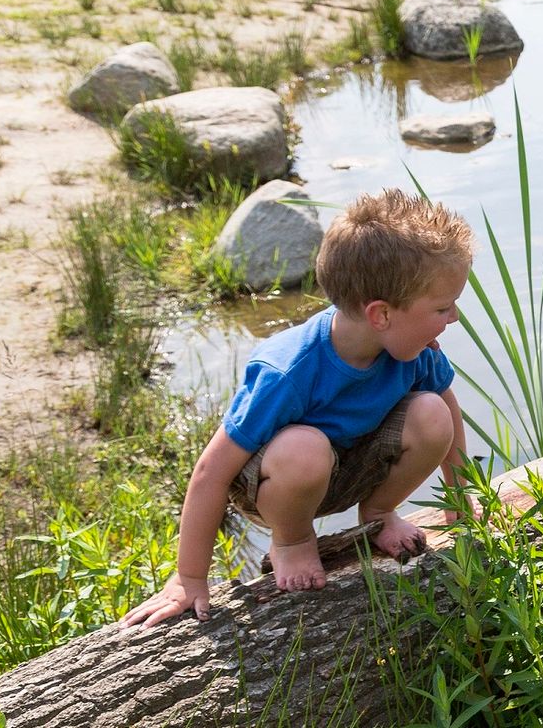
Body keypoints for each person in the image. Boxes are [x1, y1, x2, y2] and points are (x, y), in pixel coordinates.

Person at [124, 189, 474, 626]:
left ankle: (380, 514)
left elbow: (448, 411)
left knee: (433, 413)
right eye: (443, 307)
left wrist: (459, 498)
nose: (454, 318)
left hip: (348, 465)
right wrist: (188, 579)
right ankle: (291, 541)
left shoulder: (413, 349)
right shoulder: (288, 370)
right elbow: (211, 472)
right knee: (304, 448)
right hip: (277, 482)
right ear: (381, 314)